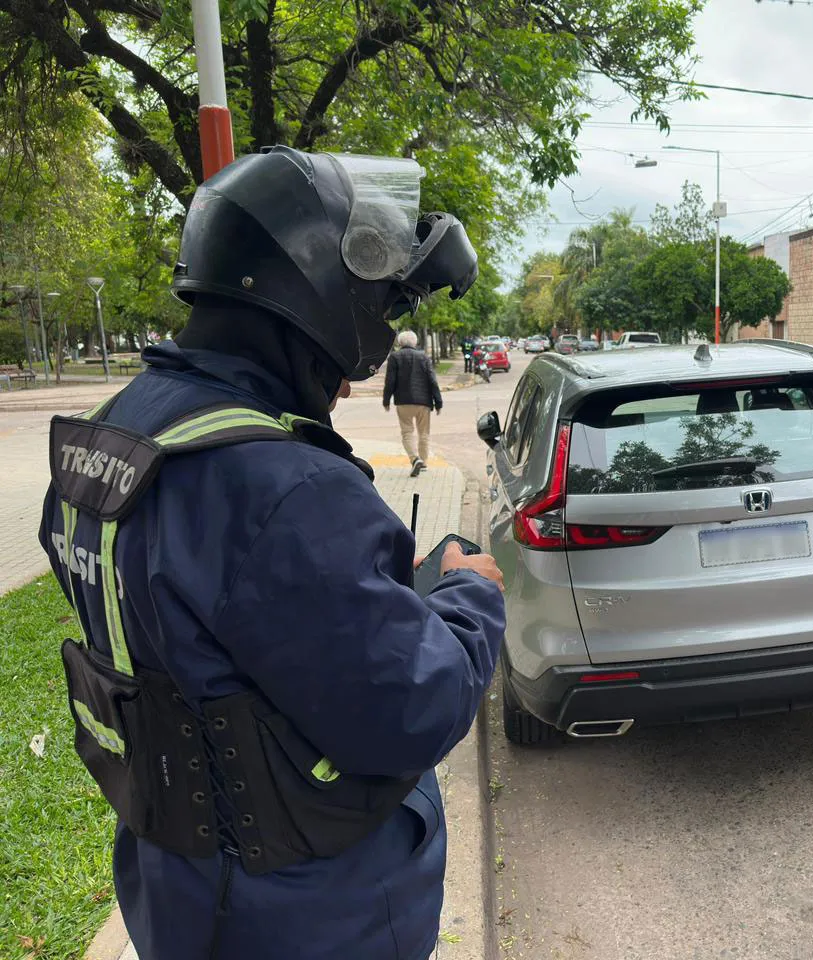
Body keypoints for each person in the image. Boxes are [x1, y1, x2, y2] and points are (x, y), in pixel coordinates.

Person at [37, 146, 505, 960]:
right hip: (309, 915)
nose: (351, 376)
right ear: (309, 294)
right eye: (374, 313)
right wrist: (468, 595)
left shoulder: (119, 427)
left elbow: (212, 616)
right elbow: (412, 705)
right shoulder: (281, 489)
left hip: (174, 888)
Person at [383, 330, 443, 476]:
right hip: (424, 402)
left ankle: (414, 458)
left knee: (407, 432)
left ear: (400, 343)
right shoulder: (423, 357)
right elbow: (432, 380)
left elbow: (390, 381)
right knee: (424, 433)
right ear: (414, 342)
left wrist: (386, 400)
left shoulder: (395, 357)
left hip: (403, 402)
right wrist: (438, 401)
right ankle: (423, 461)